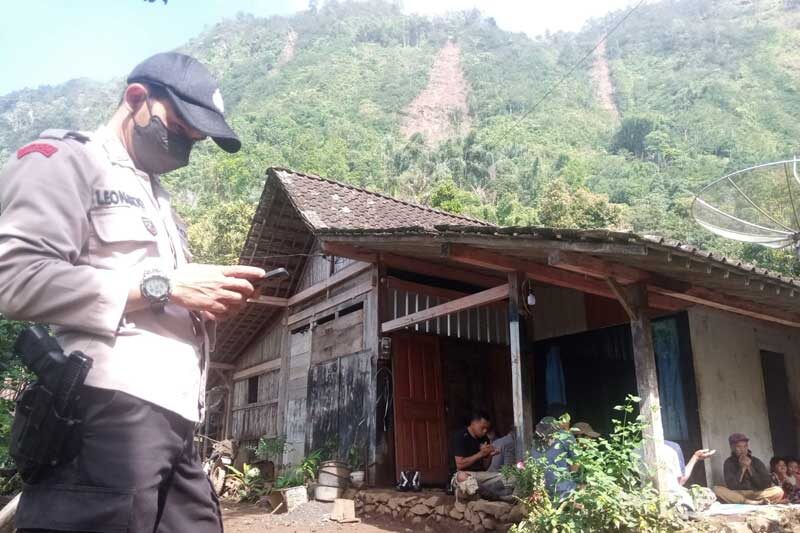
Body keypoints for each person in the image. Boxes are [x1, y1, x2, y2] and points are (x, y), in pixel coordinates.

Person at [0, 52, 267, 532]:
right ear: (136, 98)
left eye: (196, 139)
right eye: (180, 128)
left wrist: (202, 303)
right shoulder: (66, 160)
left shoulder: (160, 200)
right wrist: (165, 285)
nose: (186, 145)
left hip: (176, 422)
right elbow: (14, 278)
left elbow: (159, 299)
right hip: (106, 413)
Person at [451, 410, 513, 501]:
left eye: (487, 429)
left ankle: (481, 494)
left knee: (509, 477)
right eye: (482, 428)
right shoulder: (460, 436)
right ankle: (485, 495)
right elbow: (460, 465)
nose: (485, 431)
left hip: (481, 475)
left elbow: (485, 467)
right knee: (462, 477)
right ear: (473, 423)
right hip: (465, 474)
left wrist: (489, 455)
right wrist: (480, 454)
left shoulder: (485, 439)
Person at [712, 433, 784, 505]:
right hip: (738, 494)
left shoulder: (756, 461)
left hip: (756, 493)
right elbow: (732, 486)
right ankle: (750, 502)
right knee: (716, 489)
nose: (743, 450)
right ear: (732, 447)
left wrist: (749, 468)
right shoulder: (728, 462)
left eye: (745, 446)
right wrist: (742, 468)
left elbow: (765, 484)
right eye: (739, 447)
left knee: (778, 491)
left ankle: (751, 502)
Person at [531, 416, 578, 500]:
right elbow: (576, 464)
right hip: (561, 490)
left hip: (543, 491)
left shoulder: (534, 443)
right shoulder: (566, 437)